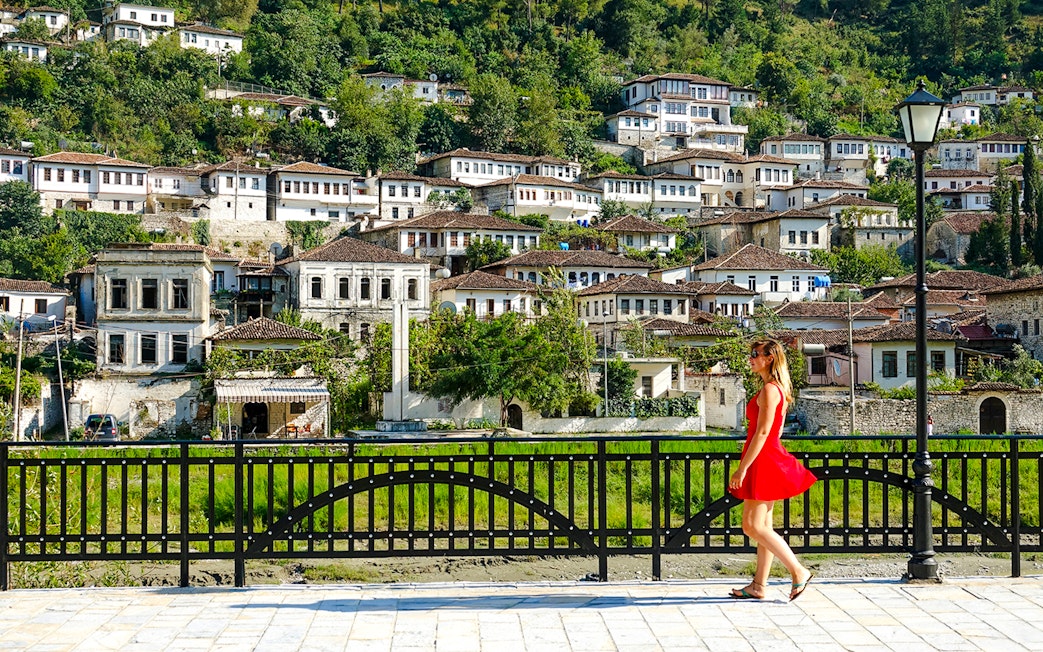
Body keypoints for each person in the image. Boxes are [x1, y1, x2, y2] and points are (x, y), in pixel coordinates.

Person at [727, 338, 817, 601]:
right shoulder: (778, 389)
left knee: (751, 526)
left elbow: (764, 431)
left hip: (762, 460)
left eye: (755, 354)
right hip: (767, 457)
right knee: (763, 526)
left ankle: (798, 571)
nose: (751, 358)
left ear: (769, 358)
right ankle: (758, 586)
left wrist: (742, 469)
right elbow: (775, 431)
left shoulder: (769, 390)